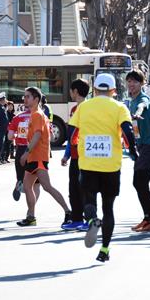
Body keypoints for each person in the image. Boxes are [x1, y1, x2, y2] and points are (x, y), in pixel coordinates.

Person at [69, 73, 137, 262]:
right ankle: (105, 249)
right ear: (114, 90)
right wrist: (133, 150)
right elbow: (127, 130)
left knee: (89, 198)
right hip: (111, 164)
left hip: (88, 163)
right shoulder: (119, 107)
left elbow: (72, 130)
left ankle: (91, 220)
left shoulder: (83, 107)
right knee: (109, 207)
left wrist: (74, 143)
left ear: (95, 89)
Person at [16, 87, 71, 227]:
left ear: (36, 99)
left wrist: (26, 152)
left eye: (28, 96)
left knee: (47, 187)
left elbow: (37, 135)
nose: (25, 99)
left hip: (38, 157)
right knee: (28, 186)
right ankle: (31, 216)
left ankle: (68, 211)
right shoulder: (36, 114)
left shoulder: (38, 115)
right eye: (25, 96)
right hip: (34, 157)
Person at [126, 70, 150, 232]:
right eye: (129, 81)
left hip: (149, 146)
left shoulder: (142, 99)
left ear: (142, 84)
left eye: (135, 82)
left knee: (141, 183)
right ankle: (148, 218)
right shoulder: (131, 100)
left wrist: (138, 114)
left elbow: (143, 106)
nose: (131, 84)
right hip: (140, 147)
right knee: (139, 183)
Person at [60, 78, 90, 231]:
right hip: (75, 156)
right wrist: (67, 155)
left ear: (75, 91)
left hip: (86, 156)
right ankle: (77, 218)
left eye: (71, 91)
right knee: (73, 188)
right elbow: (72, 135)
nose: (70, 93)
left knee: (84, 188)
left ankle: (88, 219)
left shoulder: (89, 108)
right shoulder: (74, 110)